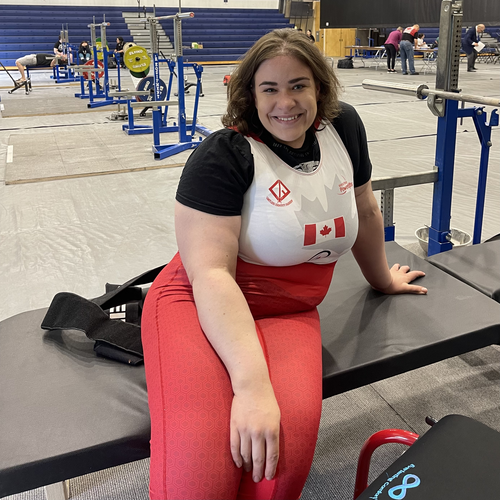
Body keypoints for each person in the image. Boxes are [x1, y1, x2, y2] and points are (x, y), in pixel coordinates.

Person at [141, 28, 427, 500]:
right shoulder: (222, 155)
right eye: (269, 89)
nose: (286, 102)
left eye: (298, 85)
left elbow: (365, 208)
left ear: (319, 86)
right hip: (199, 304)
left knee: (280, 466)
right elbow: (211, 273)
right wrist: (251, 386)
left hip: (290, 310)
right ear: (249, 95)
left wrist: (382, 279)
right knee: (201, 476)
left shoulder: (344, 129)